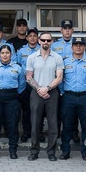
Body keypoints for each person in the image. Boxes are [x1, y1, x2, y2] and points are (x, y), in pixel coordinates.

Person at [26, 32, 64, 161]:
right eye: (43, 40)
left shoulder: (57, 58)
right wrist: (39, 89)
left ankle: (51, 152)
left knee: (53, 124)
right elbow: (28, 76)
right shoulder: (32, 57)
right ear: (39, 41)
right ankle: (34, 151)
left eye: (48, 40)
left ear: (52, 41)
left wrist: (47, 88)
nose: (46, 42)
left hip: (52, 92)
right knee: (35, 123)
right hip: (36, 92)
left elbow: (59, 77)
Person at [0, 44, 25, 158]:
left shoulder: (17, 68)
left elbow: (22, 84)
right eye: (2, 53)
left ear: (11, 54)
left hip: (12, 98)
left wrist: (13, 93)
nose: (5, 55)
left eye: (7, 53)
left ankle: (13, 151)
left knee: (12, 125)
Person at [60, 38, 86, 160]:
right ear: (72, 47)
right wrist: (63, 92)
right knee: (67, 125)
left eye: (81, 45)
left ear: (84, 47)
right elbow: (60, 79)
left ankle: (85, 152)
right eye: (76, 45)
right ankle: (65, 151)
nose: (78, 47)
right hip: (68, 97)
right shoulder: (65, 62)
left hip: (85, 97)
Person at [16, 27, 40, 142]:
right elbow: (18, 68)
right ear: (26, 38)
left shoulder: (42, 50)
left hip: (39, 83)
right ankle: (26, 132)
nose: (32, 38)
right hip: (26, 84)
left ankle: (38, 132)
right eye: (30, 36)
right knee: (26, 109)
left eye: (34, 36)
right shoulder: (21, 51)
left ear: (38, 38)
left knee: (39, 109)